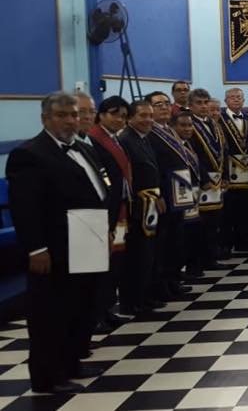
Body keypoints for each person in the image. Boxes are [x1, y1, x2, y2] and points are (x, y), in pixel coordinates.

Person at [7, 92, 111, 394]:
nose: (70, 121)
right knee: (51, 313)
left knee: (82, 307)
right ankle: (47, 377)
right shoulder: (30, 154)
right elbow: (25, 207)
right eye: (62, 115)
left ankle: (72, 363)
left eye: (74, 115)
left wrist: (104, 231)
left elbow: (97, 191)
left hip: (86, 243)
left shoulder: (83, 148)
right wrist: (36, 248)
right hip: (54, 248)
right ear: (45, 119)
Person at [86, 95, 132, 334]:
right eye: (115, 114)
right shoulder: (94, 139)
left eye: (124, 116)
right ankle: (96, 314)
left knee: (115, 263)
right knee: (102, 266)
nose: (120, 120)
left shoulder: (114, 138)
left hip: (120, 208)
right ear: (101, 115)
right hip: (105, 211)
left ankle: (106, 309)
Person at [119, 100, 165, 315]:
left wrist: (158, 195)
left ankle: (145, 296)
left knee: (149, 254)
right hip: (137, 206)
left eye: (150, 116)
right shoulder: (126, 140)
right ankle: (132, 301)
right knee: (137, 255)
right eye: (143, 116)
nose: (148, 120)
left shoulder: (144, 139)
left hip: (151, 203)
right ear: (130, 118)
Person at [147, 98, 197, 293]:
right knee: (164, 240)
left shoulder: (169, 130)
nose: (164, 107)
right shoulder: (150, 133)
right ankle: (162, 283)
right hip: (165, 192)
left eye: (166, 104)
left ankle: (173, 278)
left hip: (179, 189)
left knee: (176, 238)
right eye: (158, 105)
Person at [185, 89, 227, 270]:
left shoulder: (214, 124)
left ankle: (211, 257)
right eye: (199, 103)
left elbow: (224, 150)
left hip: (217, 178)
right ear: (190, 105)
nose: (203, 106)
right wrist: (203, 178)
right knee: (200, 223)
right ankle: (198, 261)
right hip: (201, 180)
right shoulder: (189, 125)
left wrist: (225, 175)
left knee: (214, 222)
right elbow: (191, 155)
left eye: (205, 102)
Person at [218, 88, 248, 255]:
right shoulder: (220, 118)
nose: (235, 100)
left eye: (239, 97)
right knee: (228, 210)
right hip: (230, 168)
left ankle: (244, 242)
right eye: (232, 97)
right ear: (226, 100)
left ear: (243, 100)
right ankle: (226, 244)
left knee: (246, 209)